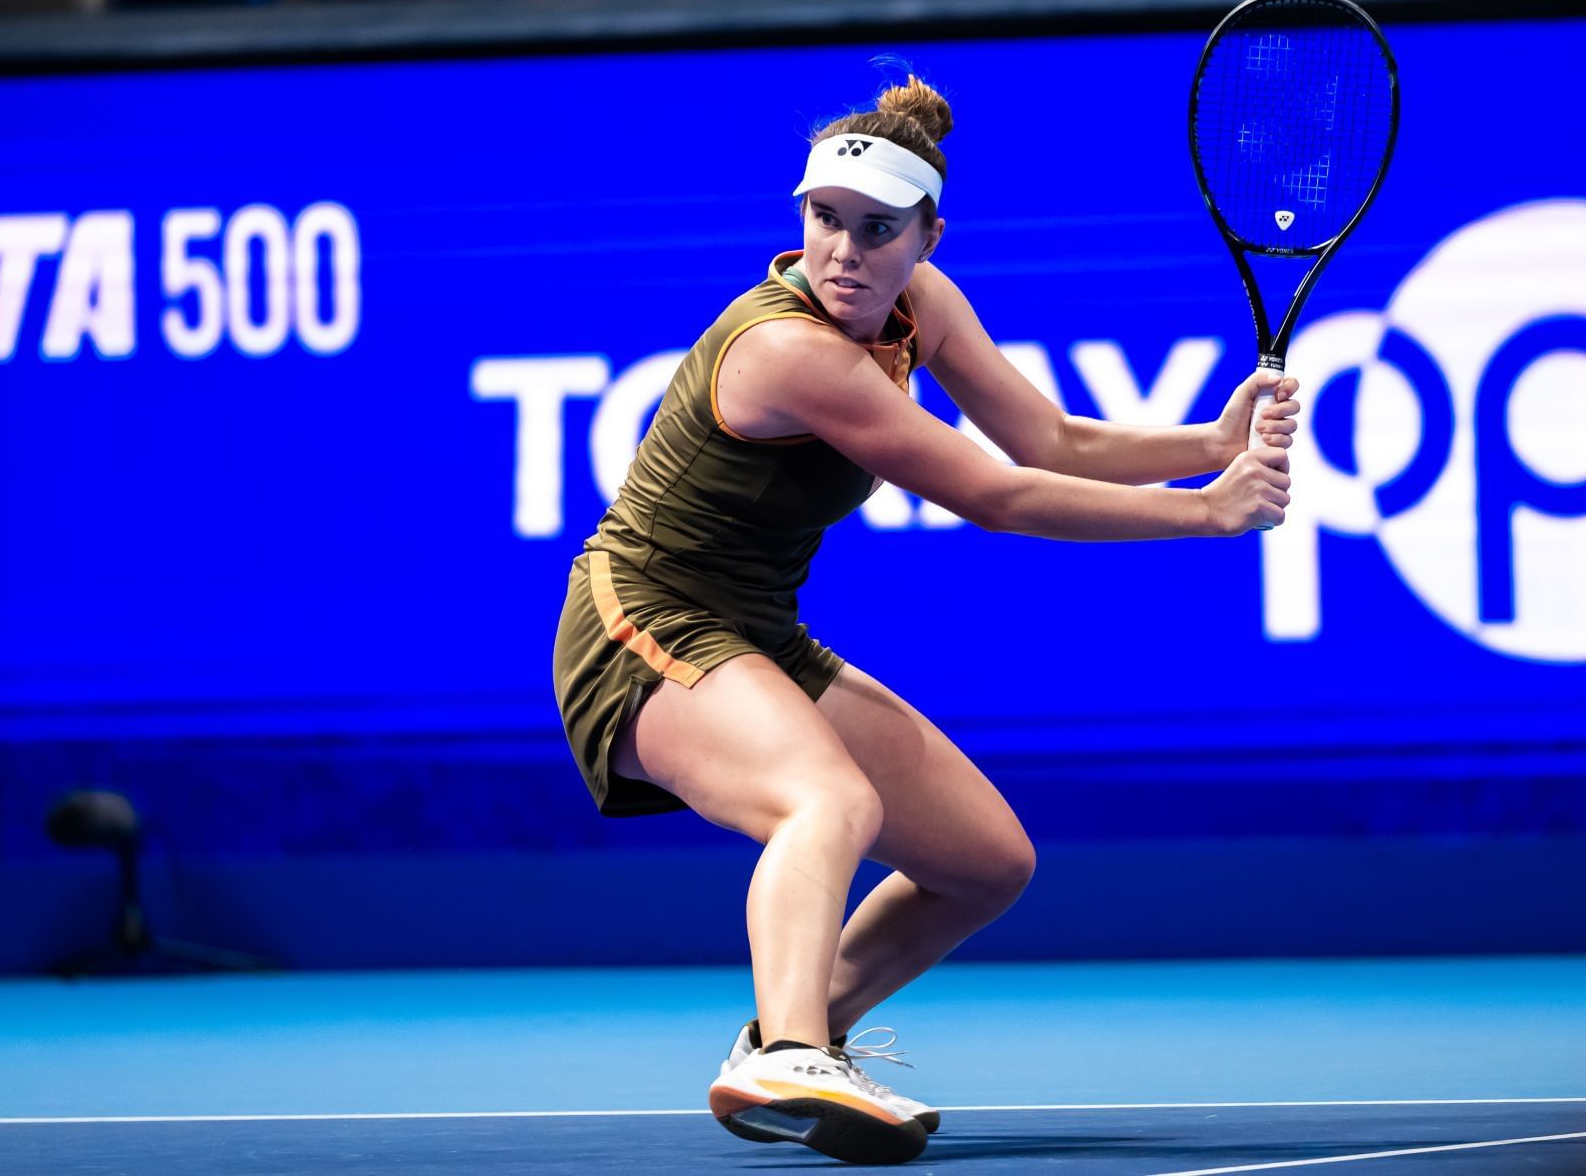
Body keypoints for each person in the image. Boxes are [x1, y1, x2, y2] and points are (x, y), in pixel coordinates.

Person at [550, 73, 1301, 1166]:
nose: (844, 253)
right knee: (826, 800)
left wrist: (1206, 443)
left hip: (755, 624)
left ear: (927, 238)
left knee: (985, 862)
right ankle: (790, 1051)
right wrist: (1206, 516)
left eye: (876, 230)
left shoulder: (923, 306)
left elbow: (1048, 442)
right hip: (642, 621)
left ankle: (794, 1040)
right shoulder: (791, 350)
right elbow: (996, 498)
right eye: (824, 222)